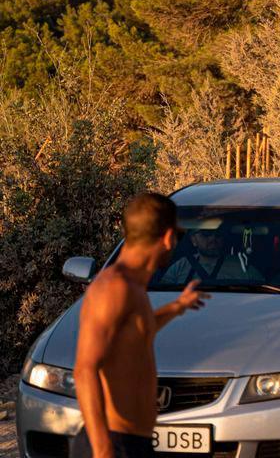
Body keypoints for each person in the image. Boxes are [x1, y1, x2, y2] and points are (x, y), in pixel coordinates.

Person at [73, 193, 210, 458]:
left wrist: (177, 307)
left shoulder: (134, 287)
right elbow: (85, 369)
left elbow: (136, 333)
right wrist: (102, 449)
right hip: (112, 443)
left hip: (133, 442)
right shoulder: (114, 287)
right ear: (169, 238)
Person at [161, 228, 263, 284]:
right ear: (193, 240)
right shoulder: (181, 265)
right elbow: (162, 291)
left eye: (218, 234)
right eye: (206, 234)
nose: (213, 239)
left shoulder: (242, 267)